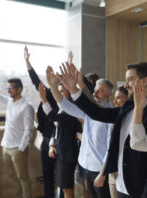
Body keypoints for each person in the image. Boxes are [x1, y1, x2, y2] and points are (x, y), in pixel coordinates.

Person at [57, 62, 147, 198]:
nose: (125, 85)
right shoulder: (128, 108)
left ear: (144, 81)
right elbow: (97, 113)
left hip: (140, 189)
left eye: (130, 79)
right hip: (121, 184)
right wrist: (73, 89)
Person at [45, 65, 112, 198]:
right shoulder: (89, 111)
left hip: (99, 169)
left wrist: (103, 174)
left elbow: (111, 148)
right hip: (85, 164)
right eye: (95, 90)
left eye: (100, 91)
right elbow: (65, 105)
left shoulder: (112, 116)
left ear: (109, 95)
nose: (96, 93)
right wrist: (52, 86)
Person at [38, 82, 82, 198]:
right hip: (59, 150)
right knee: (63, 187)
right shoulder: (59, 108)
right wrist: (51, 145)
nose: (59, 94)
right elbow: (54, 127)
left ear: (69, 93)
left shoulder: (72, 109)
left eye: (62, 91)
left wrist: (43, 99)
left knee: (67, 188)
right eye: (58, 91)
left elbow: (53, 117)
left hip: (68, 152)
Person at [24, 46, 57, 198]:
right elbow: (35, 80)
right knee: (47, 174)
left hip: (59, 142)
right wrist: (27, 61)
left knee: (63, 177)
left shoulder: (66, 100)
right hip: (45, 141)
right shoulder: (48, 94)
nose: (52, 81)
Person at [0, 78, 34, 198]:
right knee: (12, 176)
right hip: (6, 147)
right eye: (7, 88)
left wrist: (21, 148)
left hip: (18, 148)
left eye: (11, 88)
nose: (8, 91)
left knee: (22, 177)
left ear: (19, 89)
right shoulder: (9, 102)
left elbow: (29, 129)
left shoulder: (26, 106)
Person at [108, 85, 129, 198]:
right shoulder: (114, 120)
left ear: (128, 98)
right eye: (115, 98)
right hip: (113, 173)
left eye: (119, 98)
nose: (115, 102)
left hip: (126, 174)